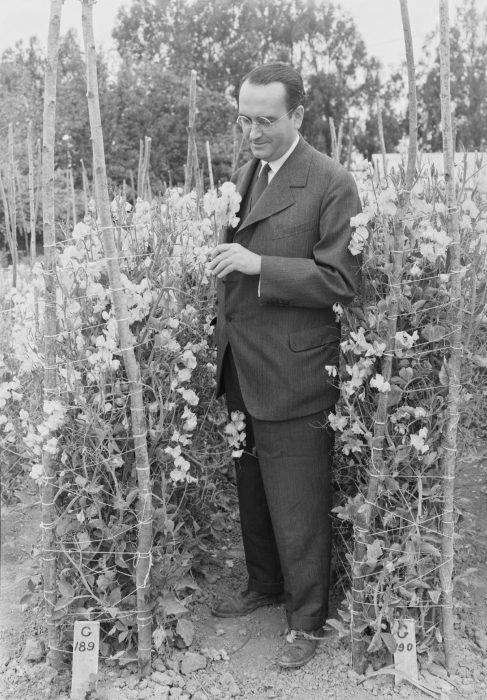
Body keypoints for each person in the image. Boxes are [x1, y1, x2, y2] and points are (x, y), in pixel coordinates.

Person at [208, 62, 361, 669]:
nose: (253, 131)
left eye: (266, 120)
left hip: (294, 369)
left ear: (298, 115)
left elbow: (341, 279)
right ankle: (265, 584)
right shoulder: (246, 171)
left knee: (298, 498)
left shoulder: (330, 181)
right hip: (243, 361)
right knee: (253, 487)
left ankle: (307, 620)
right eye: (245, 119)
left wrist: (257, 266)